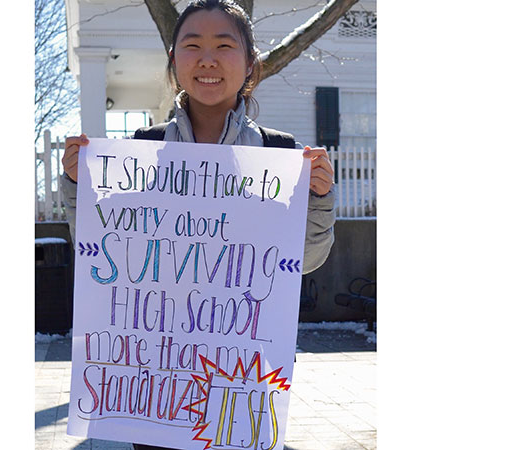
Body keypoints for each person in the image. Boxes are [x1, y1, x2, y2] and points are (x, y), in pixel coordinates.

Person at [60, 1, 336, 449]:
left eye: (224, 46)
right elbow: (105, 254)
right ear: (173, 62)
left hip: (239, 378)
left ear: (250, 63)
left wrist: (320, 199)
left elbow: (303, 261)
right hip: (155, 387)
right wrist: (78, 186)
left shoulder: (281, 157)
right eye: (192, 46)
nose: (207, 59)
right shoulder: (140, 153)